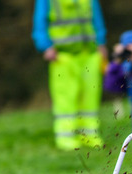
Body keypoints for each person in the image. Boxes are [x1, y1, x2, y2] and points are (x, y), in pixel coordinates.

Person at [32, 0, 107, 151]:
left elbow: (96, 18)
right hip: (62, 55)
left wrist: (101, 43)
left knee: (90, 97)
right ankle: (66, 137)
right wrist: (45, 46)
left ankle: (90, 134)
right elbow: (39, 23)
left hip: (89, 53)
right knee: (66, 97)